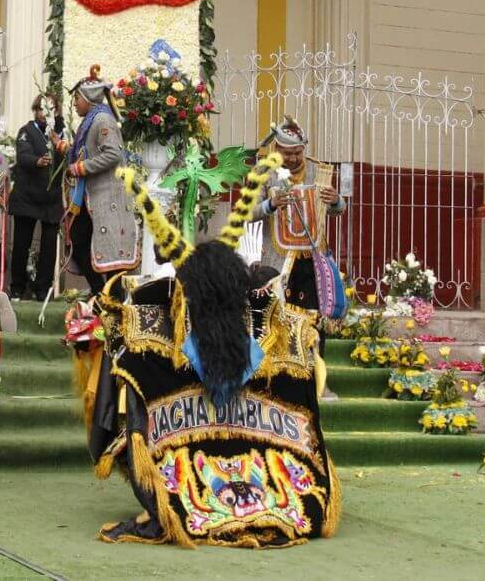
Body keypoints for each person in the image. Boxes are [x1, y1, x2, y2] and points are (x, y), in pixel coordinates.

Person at [87, 158, 340, 547]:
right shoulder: (282, 336)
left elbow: (114, 428)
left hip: (192, 492)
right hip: (274, 489)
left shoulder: (147, 344)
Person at [250, 117, 345, 328]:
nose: (293, 158)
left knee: (311, 320)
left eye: (297, 153)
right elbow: (247, 213)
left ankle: (312, 360)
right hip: (278, 260)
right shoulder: (262, 172)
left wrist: (337, 200)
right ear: (276, 149)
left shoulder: (318, 170)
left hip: (312, 259)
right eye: (287, 153)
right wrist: (271, 204)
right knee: (274, 318)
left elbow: (335, 209)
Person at [56, 66, 138, 294]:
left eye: (77, 98)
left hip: (106, 196)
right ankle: (101, 293)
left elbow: (113, 154)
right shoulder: (92, 120)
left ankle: (109, 298)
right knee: (79, 241)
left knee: (107, 251)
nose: (74, 103)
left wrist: (81, 168)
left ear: (89, 99)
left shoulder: (102, 120)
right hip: (91, 198)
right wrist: (65, 148)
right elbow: (87, 151)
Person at [8, 94, 66, 300]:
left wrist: (59, 136)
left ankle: (43, 288)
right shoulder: (27, 131)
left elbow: (68, 155)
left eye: (50, 109)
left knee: (49, 245)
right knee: (22, 243)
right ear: (35, 110)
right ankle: (17, 286)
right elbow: (22, 155)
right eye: (42, 108)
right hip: (27, 196)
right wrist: (36, 161)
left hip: (51, 198)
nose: (45, 113)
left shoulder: (61, 132)